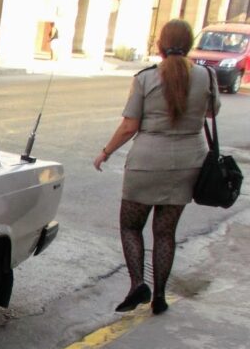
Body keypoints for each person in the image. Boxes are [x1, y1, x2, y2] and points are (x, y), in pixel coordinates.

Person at [93, 19, 220, 315]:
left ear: (160, 45)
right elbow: (212, 113)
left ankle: (138, 283)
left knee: (130, 226)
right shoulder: (206, 76)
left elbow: (129, 126)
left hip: (147, 163)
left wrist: (105, 152)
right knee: (165, 233)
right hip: (189, 162)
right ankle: (159, 296)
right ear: (189, 45)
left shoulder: (146, 78)